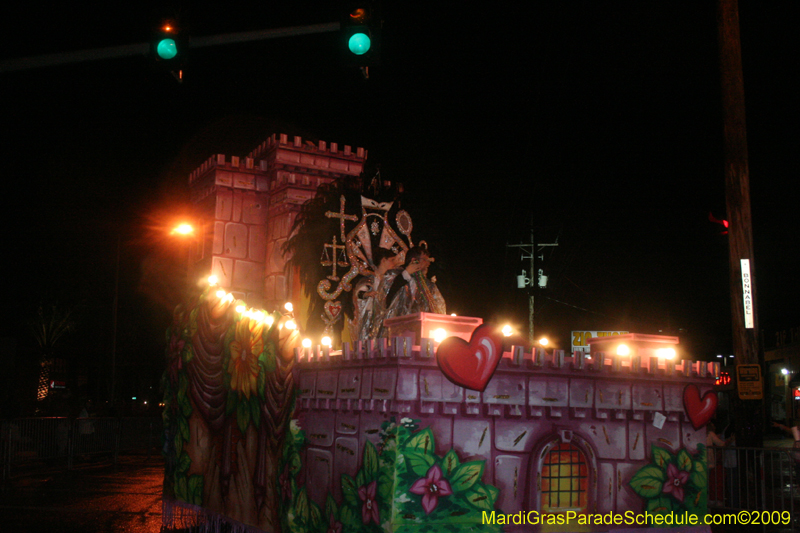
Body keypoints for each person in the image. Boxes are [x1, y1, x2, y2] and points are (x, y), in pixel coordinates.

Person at [348, 247, 400, 341]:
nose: (394, 263)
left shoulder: (391, 281)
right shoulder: (370, 279)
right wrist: (367, 294)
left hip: (386, 320)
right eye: (392, 260)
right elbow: (359, 293)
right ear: (383, 260)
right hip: (371, 320)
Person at [706, 421, 728, 504]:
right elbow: (721, 444)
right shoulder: (710, 434)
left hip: (704, 462)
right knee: (708, 483)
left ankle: (707, 501)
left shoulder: (707, 434)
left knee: (706, 483)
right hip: (708, 462)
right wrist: (728, 442)